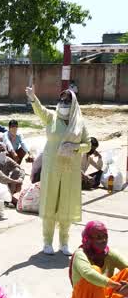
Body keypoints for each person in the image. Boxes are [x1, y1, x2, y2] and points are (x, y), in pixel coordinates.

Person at [27, 86, 90, 255]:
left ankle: (64, 243)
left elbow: (88, 145)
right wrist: (33, 97)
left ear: (74, 103)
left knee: (66, 206)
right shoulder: (52, 118)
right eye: (61, 100)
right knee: (50, 204)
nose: (63, 103)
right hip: (52, 170)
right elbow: (40, 110)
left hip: (70, 171)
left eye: (67, 101)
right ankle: (47, 242)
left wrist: (75, 147)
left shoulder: (79, 123)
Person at [65, 221, 128, 298]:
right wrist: (115, 286)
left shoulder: (109, 254)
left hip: (104, 297)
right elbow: (88, 273)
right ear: (88, 239)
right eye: (98, 237)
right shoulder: (80, 254)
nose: (103, 240)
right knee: (94, 271)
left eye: (105, 236)